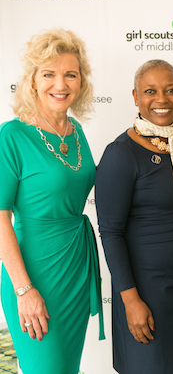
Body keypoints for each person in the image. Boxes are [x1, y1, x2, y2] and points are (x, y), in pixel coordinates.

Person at [95, 60, 173, 374]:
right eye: (150, 91)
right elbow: (110, 232)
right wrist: (130, 301)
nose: (161, 99)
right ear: (135, 97)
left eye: (170, 90)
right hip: (147, 294)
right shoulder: (121, 153)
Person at [0, 29, 104, 373]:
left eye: (69, 74)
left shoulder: (76, 130)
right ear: (32, 80)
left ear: (81, 82)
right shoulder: (12, 136)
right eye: (49, 74)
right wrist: (24, 290)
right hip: (35, 272)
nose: (60, 84)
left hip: (75, 265)